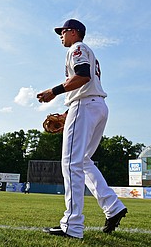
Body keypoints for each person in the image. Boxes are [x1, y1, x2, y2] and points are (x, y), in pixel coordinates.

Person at [37, 19, 127, 239]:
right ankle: (113, 206)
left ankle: (72, 225)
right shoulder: (88, 51)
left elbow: (83, 75)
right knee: (83, 160)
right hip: (97, 106)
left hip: (85, 106)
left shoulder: (77, 48)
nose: (61, 35)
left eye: (63, 31)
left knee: (71, 163)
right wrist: (69, 113)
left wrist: (54, 91)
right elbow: (88, 83)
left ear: (74, 33)